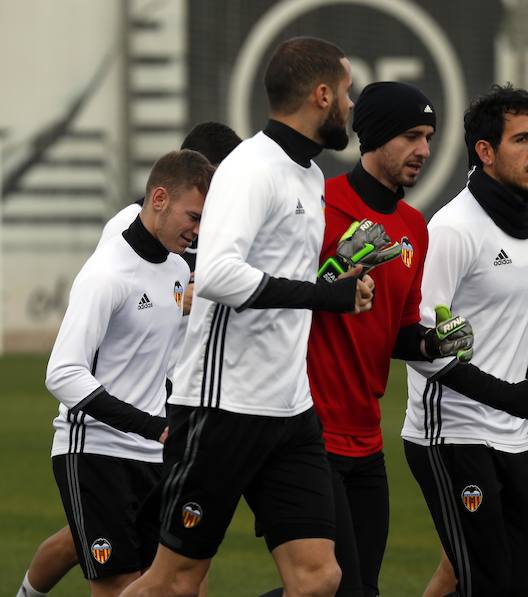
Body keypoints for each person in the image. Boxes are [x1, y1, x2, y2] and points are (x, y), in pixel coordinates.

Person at [120, 37, 374, 597]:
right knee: (174, 583)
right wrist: (321, 296)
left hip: (290, 408)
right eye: (347, 92)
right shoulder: (249, 168)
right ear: (322, 94)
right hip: (222, 408)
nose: (351, 106)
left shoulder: (307, 174)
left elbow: (286, 277)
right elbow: (216, 274)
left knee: (319, 579)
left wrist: (337, 288)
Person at [258, 82, 471, 597]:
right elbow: (272, 304)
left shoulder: (413, 227)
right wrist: (334, 273)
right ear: (373, 137)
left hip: (367, 438)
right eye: (411, 136)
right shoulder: (320, 205)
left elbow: (399, 333)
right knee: (338, 588)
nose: (424, 149)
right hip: (307, 432)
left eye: (429, 137)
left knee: (359, 590)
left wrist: (432, 344)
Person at [17, 122, 241, 597]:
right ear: (159, 199)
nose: (201, 230)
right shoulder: (108, 270)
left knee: (180, 582)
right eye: (195, 216)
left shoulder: (179, 266)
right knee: (119, 584)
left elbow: (168, 357)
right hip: (96, 449)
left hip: (157, 453)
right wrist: (147, 424)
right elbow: (62, 371)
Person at [403, 84, 528, 597]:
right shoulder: (453, 229)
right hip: (451, 435)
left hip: (516, 432)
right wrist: (511, 395)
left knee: (525, 581)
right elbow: (421, 345)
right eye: (522, 139)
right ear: (485, 151)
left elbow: (523, 319)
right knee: (486, 582)